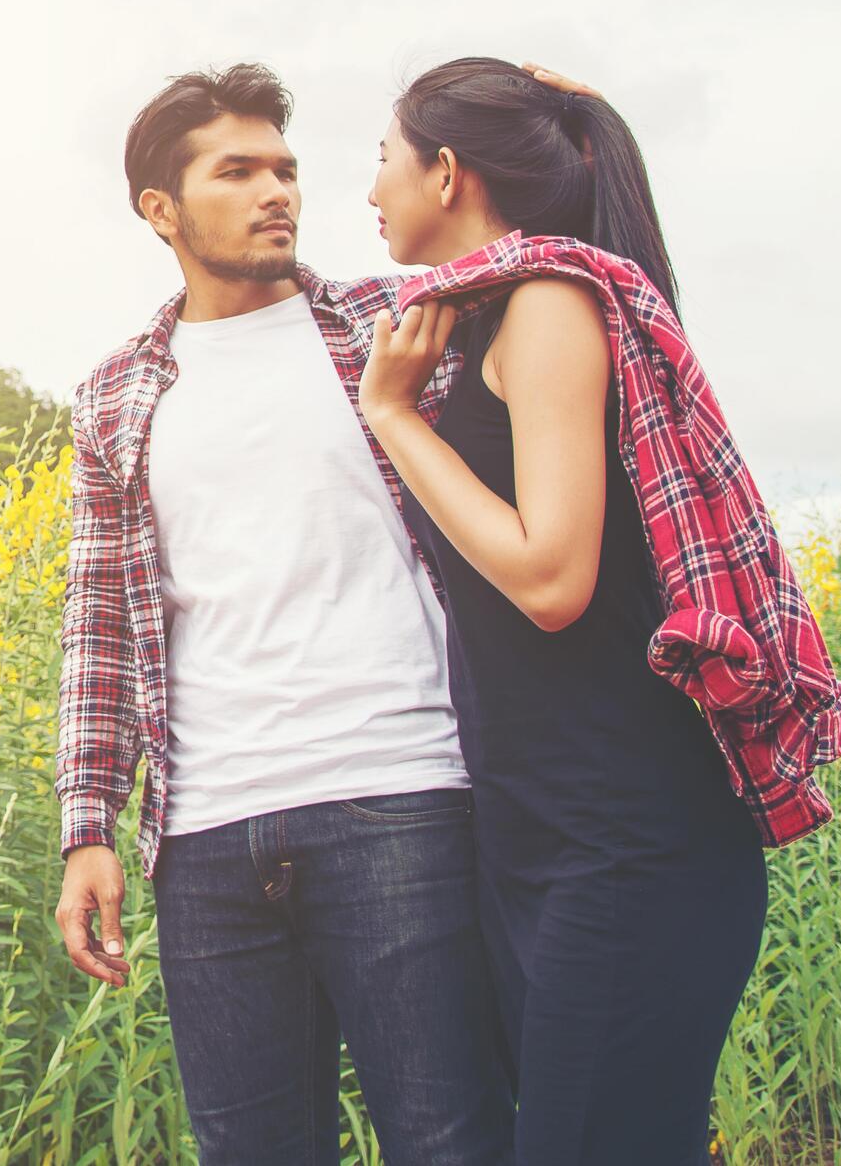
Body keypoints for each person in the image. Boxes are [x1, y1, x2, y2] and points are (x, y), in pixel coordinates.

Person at [355, 56, 841, 1165]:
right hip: (548, 836)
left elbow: (552, 579)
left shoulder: (548, 307)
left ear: (447, 174)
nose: (370, 188)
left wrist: (392, 419)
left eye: (383, 157)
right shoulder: (478, 329)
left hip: (633, 845)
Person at [51, 61, 513, 1166]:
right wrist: (87, 825)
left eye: (287, 169)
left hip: (401, 797)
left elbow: (549, 251)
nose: (279, 192)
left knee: (455, 1143)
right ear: (160, 208)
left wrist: (555, 109)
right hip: (207, 838)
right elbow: (102, 620)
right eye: (238, 170)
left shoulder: (393, 320)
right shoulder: (117, 392)